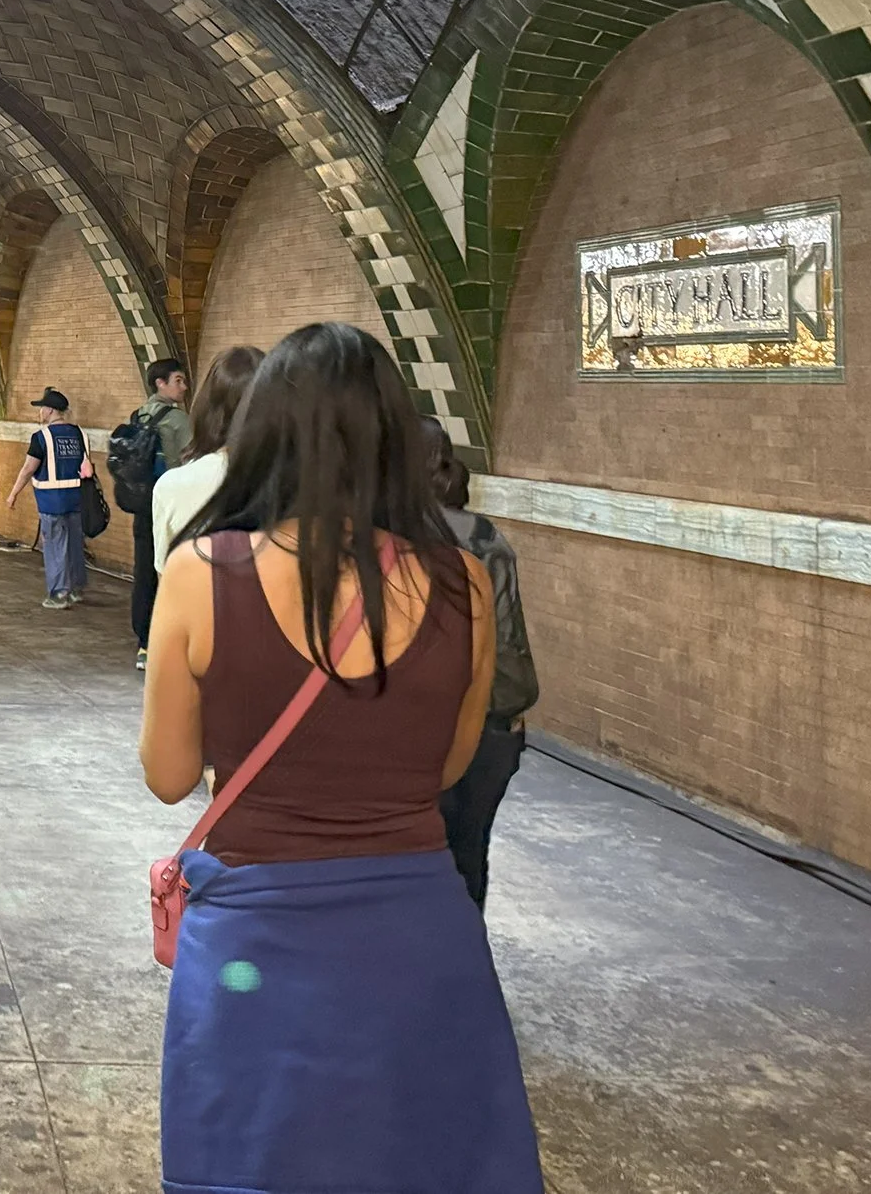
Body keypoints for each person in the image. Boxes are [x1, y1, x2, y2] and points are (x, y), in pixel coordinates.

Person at [138, 323, 540, 1193]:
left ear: (264, 432)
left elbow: (170, 776)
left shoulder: (202, 570)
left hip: (256, 941)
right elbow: (445, 766)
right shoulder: (462, 579)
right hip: (420, 942)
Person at [422, 418, 540, 910]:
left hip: (414, 731)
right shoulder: (485, 538)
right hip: (490, 730)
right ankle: (462, 969)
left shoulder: (380, 537)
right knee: (469, 858)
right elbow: (508, 644)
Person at [149, 345, 264, 575]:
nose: (184, 387)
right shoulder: (300, 480)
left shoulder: (172, 485)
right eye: (178, 381)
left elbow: (169, 580)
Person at [125, 358, 194, 665]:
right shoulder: (179, 420)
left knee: (144, 572)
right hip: (172, 508)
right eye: (178, 380)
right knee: (172, 572)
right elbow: (193, 462)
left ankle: (144, 642)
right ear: (160, 383)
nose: (184, 387)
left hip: (144, 505)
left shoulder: (137, 415)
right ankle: (173, 641)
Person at [7, 388, 93, 609]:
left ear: (51, 410)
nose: (40, 411)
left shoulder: (41, 437)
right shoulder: (80, 434)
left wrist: (14, 493)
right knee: (75, 544)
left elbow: (28, 469)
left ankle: (58, 593)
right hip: (78, 499)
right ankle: (76, 589)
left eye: (42, 407)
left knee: (55, 546)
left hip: (51, 501)